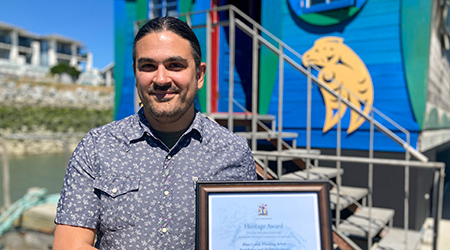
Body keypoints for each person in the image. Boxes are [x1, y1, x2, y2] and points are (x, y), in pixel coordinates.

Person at [53, 16, 257, 249]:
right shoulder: (96, 147)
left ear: (199, 75)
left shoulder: (233, 153)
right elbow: (70, 245)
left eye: (175, 65)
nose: (161, 79)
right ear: (136, 72)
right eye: (148, 66)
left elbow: (247, 240)